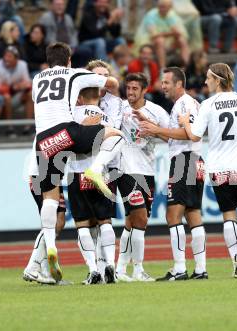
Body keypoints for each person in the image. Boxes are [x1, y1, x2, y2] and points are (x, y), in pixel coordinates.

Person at [32, 42, 123, 282]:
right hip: (68, 132)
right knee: (116, 135)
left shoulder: (37, 78)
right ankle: (95, 169)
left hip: (43, 140)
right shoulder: (75, 74)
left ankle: (51, 246)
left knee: (50, 198)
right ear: (69, 60)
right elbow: (112, 84)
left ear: (48, 60)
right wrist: (100, 80)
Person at [179, 63, 237, 278]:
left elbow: (194, 136)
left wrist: (186, 122)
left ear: (217, 80)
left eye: (208, 78)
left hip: (218, 168)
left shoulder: (207, 105)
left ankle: (235, 259)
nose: (205, 82)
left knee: (228, 215)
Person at [139, 67, 208, 281]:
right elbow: (176, 138)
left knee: (173, 215)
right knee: (193, 213)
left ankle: (180, 268)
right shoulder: (186, 103)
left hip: (184, 161)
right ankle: (200, 269)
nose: (163, 86)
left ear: (179, 84)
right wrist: (154, 128)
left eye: (167, 82)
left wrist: (157, 130)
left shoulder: (184, 103)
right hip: (194, 160)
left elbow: (190, 134)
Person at [115, 72, 170, 282]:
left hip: (147, 170)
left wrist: (154, 131)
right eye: (128, 88)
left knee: (131, 220)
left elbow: (170, 136)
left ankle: (120, 269)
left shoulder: (156, 111)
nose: (130, 92)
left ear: (144, 90)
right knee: (141, 218)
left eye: (134, 89)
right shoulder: (120, 108)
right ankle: (138, 269)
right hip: (125, 169)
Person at [68, 86, 121, 285]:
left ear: (80, 97)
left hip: (77, 171)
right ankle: (111, 266)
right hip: (102, 173)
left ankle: (92, 270)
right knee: (105, 221)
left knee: (82, 224)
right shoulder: (106, 118)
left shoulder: (71, 116)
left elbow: (68, 142)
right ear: (98, 97)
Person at [22, 139, 67, 285]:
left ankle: (47, 273)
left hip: (55, 176)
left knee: (59, 222)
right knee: (50, 222)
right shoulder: (50, 124)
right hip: (39, 176)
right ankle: (33, 267)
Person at [133, 0, 190, 69]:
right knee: (160, 40)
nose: (162, 9)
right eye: (160, 6)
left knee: (182, 40)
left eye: (164, 7)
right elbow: (153, 35)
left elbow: (176, 31)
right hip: (150, 41)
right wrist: (171, 33)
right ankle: (163, 69)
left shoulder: (170, 15)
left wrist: (176, 33)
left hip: (168, 42)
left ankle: (185, 67)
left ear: (169, 8)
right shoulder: (151, 15)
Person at [0, 46, 32, 136]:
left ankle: (28, 127)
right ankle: (9, 127)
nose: (6, 59)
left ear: (16, 58)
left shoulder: (22, 64)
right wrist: (14, 87)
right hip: (2, 99)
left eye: (10, 56)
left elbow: (28, 83)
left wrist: (21, 86)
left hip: (16, 95)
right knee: (7, 96)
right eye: (5, 56)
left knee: (30, 94)